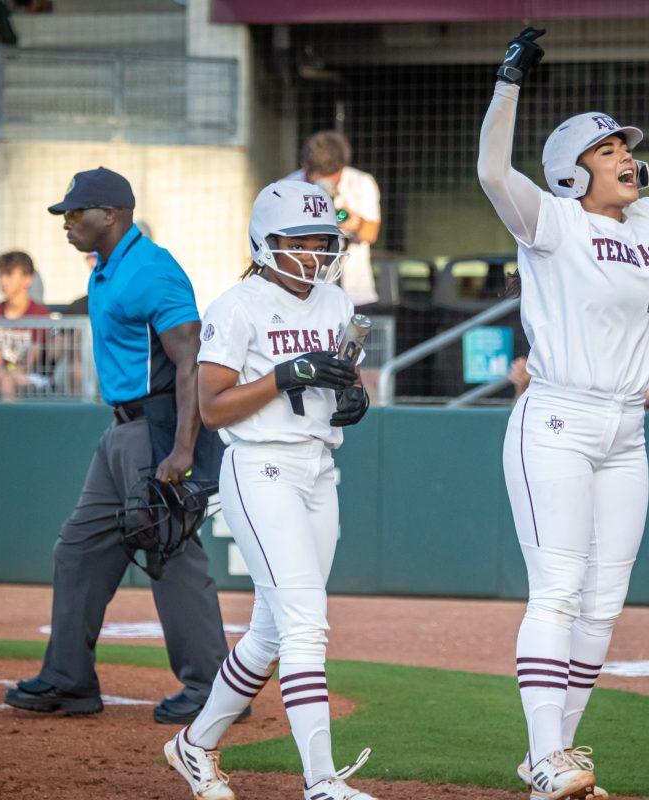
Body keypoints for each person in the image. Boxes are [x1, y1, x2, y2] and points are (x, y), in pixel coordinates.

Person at [478, 29, 649, 800]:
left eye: (624, 143)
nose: (624, 153)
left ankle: (555, 753)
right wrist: (508, 82)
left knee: (604, 603)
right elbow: (490, 169)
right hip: (556, 420)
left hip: (626, 428)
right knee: (557, 590)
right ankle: (547, 754)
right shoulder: (552, 220)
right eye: (607, 147)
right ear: (570, 173)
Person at [3, 167, 232, 727]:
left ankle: (212, 689)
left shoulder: (151, 268)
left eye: (75, 213)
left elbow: (191, 360)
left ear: (111, 215)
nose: (67, 222)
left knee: (170, 550)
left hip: (156, 429)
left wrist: (182, 449)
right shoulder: (107, 269)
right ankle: (69, 678)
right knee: (78, 551)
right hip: (121, 432)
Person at [163, 180, 370, 800]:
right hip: (260, 468)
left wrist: (354, 394)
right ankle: (322, 782)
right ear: (266, 242)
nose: (314, 252)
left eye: (323, 240)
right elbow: (213, 407)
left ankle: (193, 746)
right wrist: (285, 375)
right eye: (301, 241)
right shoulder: (237, 306)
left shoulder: (333, 302)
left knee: (274, 633)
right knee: (307, 626)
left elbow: (341, 375)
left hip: (318, 468)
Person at [286, 131, 382, 308]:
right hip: (303, 291)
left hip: (353, 293)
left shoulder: (361, 183)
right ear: (306, 167)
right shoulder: (288, 188)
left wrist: (355, 222)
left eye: (332, 177)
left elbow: (371, 233)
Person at [0, 251, 52, 400]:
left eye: (9, 274)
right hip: (1, 372)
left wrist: (5, 373)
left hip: (32, 375)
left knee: (7, 380)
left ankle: (7, 422)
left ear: (27, 279)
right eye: (1, 275)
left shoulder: (40, 314)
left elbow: (31, 361)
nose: (3, 281)